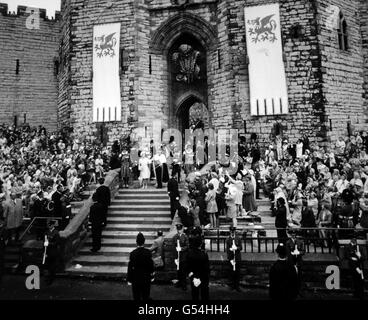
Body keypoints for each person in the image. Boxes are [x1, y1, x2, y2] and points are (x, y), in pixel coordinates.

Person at [127, 232, 154, 301]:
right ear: (144, 242)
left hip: (136, 278)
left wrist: (129, 279)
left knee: (136, 296)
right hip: (146, 277)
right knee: (145, 296)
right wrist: (152, 276)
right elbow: (151, 265)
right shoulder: (148, 253)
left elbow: (130, 267)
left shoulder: (133, 253)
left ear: (136, 242)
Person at [186, 234, 210, 300]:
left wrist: (192, 277)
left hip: (194, 276)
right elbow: (207, 269)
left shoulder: (189, 254)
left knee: (194, 294)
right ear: (200, 244)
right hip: (203, 277)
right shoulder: (204, 254)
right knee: (204, 294)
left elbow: (187, 267)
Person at [44, 220, 61, 285]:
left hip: (53, 251)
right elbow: (44, 241)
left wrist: (48, 244)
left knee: (52, 266)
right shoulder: (46, 232)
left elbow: (56, 243)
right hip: (47, 251)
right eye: (48, 225)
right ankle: (48, 278)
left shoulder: (56, 233)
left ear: (53, 225)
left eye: (50, 225)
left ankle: (51, 278)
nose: (49, 226)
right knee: (47, 265)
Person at [226, 226, 242, 291]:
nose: (232, 232)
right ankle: (232, 286)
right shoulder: (228, 239)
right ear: (230, 231)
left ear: (234, 231)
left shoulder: (238, 238)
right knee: (232, 272)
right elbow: (227, 249)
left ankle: (237, 286)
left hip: (237, 257)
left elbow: (241, 247)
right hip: (231, 257)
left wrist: (237, 248)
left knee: (237, 272)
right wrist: (229, 258)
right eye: (231, 231)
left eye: (233, 231)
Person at [172, 223, 188, 290]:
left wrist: (181, 249)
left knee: (183, 271)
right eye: (178, 230)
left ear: (182, 229)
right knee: (178, 271)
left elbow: (187, 246)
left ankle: (184, 285)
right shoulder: (175, 237)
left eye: (180, 229)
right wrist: (175, 257)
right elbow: (173, 247)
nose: (179, 231)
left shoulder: (185, 236)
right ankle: (179, 283)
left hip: (183, 256)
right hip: (178, 257)